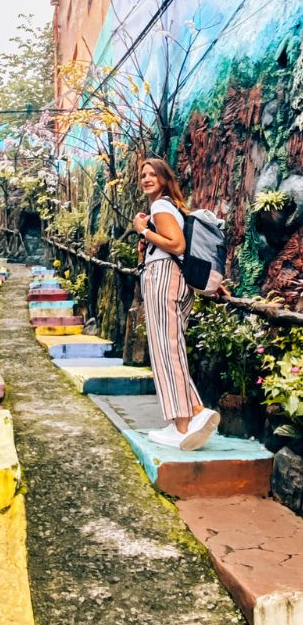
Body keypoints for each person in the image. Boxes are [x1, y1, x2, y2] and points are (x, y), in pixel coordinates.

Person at [132, 157, 219, 450]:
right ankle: (192, 413)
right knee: (173, 348)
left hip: (163, 277)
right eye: (142, 175)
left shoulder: (160, 206)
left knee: (164, 350)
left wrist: (143, 230)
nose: (146, 179)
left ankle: (183, 424)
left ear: (165, 178)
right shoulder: (174, 208)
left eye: (152, 174)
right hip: (179, 281)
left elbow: (177, 245)